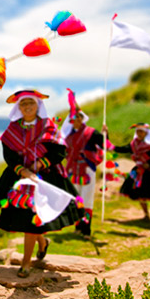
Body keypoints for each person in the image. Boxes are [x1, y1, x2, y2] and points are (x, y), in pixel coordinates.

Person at [0, 90, 83, 278]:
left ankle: (26, 263)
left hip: (46, 176)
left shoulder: (48, 126)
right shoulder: (12, 130)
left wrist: (39, 164)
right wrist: (23, 171)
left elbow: (59, 152)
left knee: (34, 217)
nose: (27, 107)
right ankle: (42, 242)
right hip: (19, 176)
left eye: (31, 103)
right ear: (18, 107)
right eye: (23, 104)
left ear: (38, 105)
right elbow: (9, 155)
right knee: (28, 219)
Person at [60, 88, 108, 238]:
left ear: (82, 118)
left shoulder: (91, 133)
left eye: (80, 117)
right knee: (75, 198)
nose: (77, 120)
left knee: (86, 199)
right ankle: (78, 226)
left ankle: (86, 229)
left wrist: (105, 133)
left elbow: (104, 143)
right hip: (72, 169)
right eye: (75, 118)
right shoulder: (68, 136)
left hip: (87, 168)